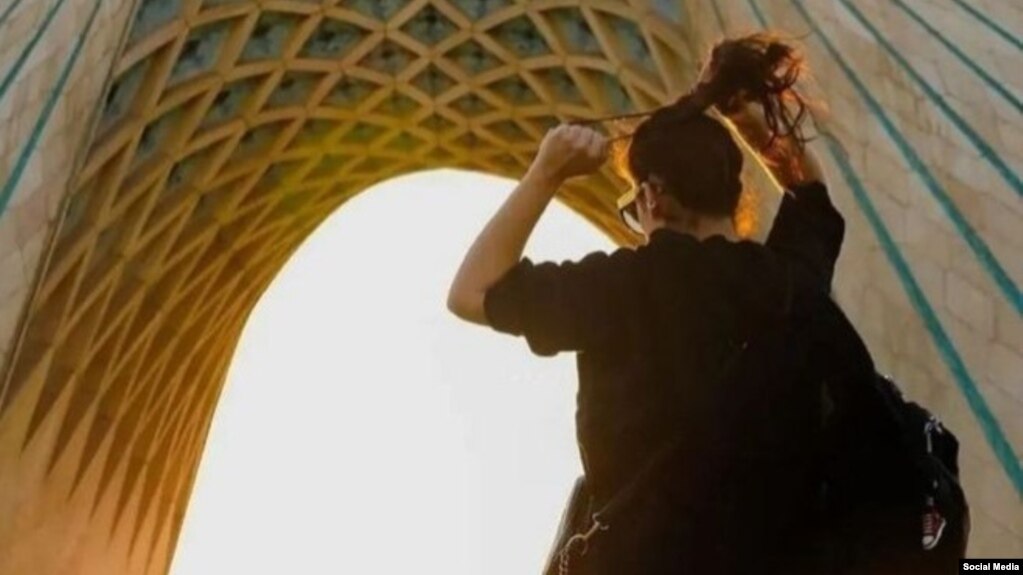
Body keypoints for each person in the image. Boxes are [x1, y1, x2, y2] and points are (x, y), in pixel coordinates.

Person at [447, 33, 845, 574]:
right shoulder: (788, 284)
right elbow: (811, 199)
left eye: (634, 204)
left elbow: (471, 292)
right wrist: (756, 129)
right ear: (733, 191)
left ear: (653, 196)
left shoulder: (623, 289)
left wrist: (546, 172)